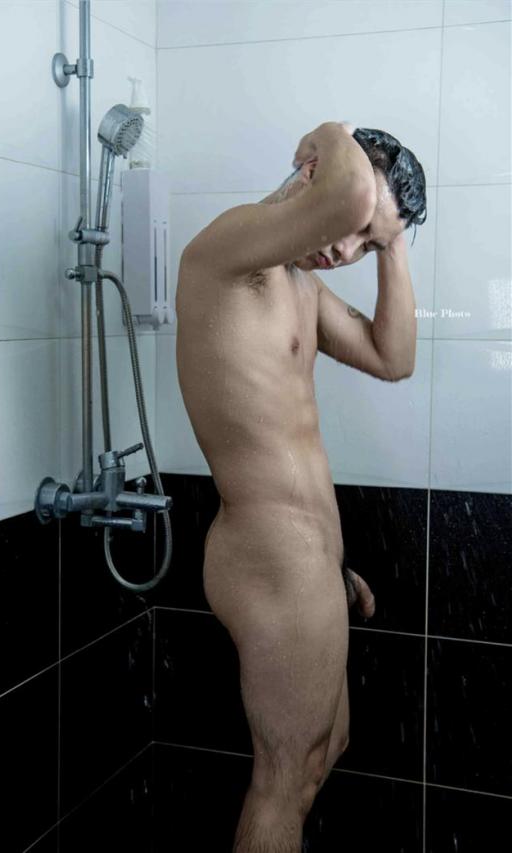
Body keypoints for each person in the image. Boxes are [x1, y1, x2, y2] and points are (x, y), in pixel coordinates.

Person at [175, 121, 427, 852]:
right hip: (268, 556)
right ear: (315, 168)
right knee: (285, 777)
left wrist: (394, 239)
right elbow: (346, 196)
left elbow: (394, 356)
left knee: (322, 752)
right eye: (357, 232)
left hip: (307, 564)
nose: (347, 252)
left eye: (365, 246)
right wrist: (331, 133)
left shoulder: (301, 288)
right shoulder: (226, 252)